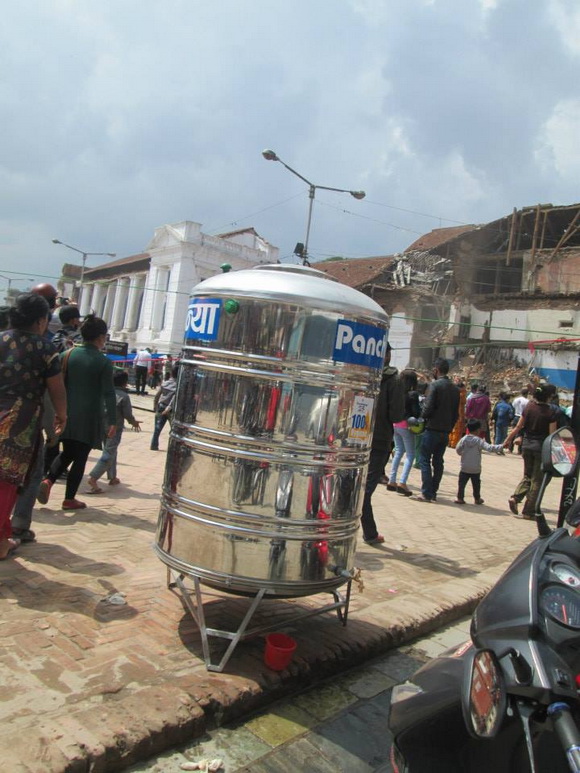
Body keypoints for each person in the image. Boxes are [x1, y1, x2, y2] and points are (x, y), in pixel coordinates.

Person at [0, 294, 67, 558]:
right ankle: (2, 542)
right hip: (21, 420)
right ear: (41, 321)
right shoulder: (46, 348)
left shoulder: (1, 338)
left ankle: (5, 536)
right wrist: (62, 415)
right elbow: (56, 389)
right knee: (8, 479)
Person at [37, 315, 117, 510]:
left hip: (66, 413)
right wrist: (113, 420)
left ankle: (48, 481)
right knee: (79, 457)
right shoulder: (103, 362)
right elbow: (109, 394)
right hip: (90, 416)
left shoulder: (67, 355)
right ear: (100, 337)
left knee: (68, 452)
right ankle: (68, 497)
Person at [360, 344, 405, 544]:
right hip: (378, 440)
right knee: (364, 491)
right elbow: (396, 415)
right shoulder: (394, 382)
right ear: (387, 355)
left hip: (353, 439)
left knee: (353, 487)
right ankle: (369, 533)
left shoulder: (360, 374)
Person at [504, 385, 557, 520]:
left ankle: (515, 498)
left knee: (527, 475)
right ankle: (528, 511)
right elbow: (552, 435)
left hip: (526, 446)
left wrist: (508, 440)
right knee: (537, 480)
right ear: (549, 396)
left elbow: (518, 426)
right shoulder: (551, 413)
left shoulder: (529, 408)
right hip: (541, 448)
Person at [86, 371, 141, 492]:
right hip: (114, 429)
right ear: (125, 383)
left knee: (111, 450)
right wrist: (134, 423)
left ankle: (112, 477)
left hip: (101, 426)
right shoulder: (124, 396)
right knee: (109, 453)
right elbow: (127, 415)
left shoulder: (104, 393)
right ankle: (94, 478)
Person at [416, 358, 460, 503]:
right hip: (445, 431)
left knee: (424, 460)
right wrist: (449, 426)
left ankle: (426, 493)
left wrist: (421, 416)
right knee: (438, 462)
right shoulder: (455, 389)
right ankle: (433, 491)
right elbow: (456, 414)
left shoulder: (435, 386)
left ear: (436, 370)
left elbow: (427, 408)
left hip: (432, 428)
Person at [455, 418, 504, 505]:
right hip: (476, 468)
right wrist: (501, 446)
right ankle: (477, 498)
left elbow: (458, 449)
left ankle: (460, 498)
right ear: (478, 430)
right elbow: (489, 448)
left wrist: (462, 454)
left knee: (461, 484)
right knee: (476, 484)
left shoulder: (464, 439)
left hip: (464, 466)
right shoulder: (479, 441)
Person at [388, 369, 421, 496]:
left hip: (395, 424)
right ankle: (402, 482)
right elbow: (416, 412)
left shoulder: (398, 392)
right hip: (406, 426)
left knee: (398, 452)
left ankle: (392, 480)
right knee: (410, 454)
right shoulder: (412, 394)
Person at [150, 365, 179, 450]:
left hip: (161, 406)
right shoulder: (178, 386)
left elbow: (157, 396)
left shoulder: (165, 383)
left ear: (171, 373)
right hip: (171, 409)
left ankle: (154, 445)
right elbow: (175, 398)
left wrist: (155, 406)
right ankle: (173, 447)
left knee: (157, 428)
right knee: (174, 429)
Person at [448, 379, 466, 448]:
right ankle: (454, 443)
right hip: (459, 413)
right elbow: (464, 402)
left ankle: (449, 442)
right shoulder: (462, 394)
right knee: (457, 429)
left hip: (452, 412)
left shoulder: (452, 392)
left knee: (452, 428)